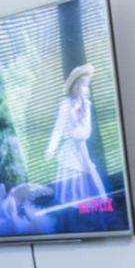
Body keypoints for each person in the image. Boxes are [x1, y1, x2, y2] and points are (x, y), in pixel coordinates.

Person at [45, 63, 107, 207]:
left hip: (82, 147)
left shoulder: (86, 105)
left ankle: (97, 203)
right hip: (71, 148)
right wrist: (51, 149)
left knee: (89, 170)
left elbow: (87, 130)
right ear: (75, 86)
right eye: (83, 85)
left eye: (87, 85)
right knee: (73, 178)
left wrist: (79, 133)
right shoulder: (66, 104)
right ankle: (74, 207)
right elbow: (58, 129)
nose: (86, 89)